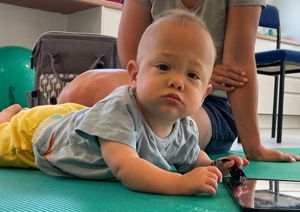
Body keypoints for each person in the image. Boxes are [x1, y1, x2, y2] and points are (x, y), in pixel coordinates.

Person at [0, 10, 248, 196]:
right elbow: (127, 168)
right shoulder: (121, 109)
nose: (177, 82)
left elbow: (192, 157)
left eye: (192, 75)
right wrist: (181, 183)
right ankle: (10, 116)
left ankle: (17, 112)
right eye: (163, 67)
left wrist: (215, 166)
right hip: (36, 137)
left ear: (205, 94)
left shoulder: (185, 127)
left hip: (79, 118)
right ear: (135, 75)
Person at [58, 0, 300, 162]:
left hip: (213, 105)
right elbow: (133, 57)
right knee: (78, 90)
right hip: (150, 87)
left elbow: (239, 67)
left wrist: (254, 147)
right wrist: (177, 71)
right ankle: (36, 129)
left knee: (163, 123)